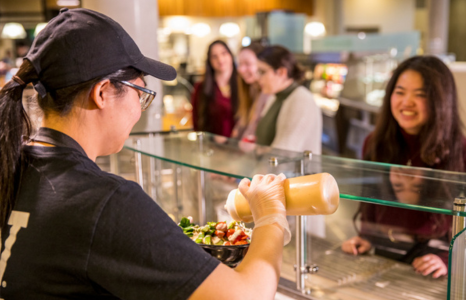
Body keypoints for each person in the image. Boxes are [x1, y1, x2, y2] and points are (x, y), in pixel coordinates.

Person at [0, 8, 290, 299]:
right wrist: (270, 216)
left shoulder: (13, 164)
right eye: (139, 93)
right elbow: (247, 295)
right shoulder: (105, 202)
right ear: (102, 93)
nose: (140, 108)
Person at [341, 55, 466, 278]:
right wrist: (366, 237)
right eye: (399, 92)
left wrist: (448, 260)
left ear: (441, 101)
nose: (406, 102)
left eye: (420, 95)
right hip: (384, 250)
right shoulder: (375, 143)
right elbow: (369, 198)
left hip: (433, 261)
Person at [255, 45, 322, 154]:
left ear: (281, 72)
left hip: (291, 171)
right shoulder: (274, 96)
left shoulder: (302, 100)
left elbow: (284, 155)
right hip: (270, 169)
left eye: (262, 72)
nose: (257, 78)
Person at [191, 40, 239, 137]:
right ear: (209, 61)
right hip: (212, 146)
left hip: (241, 147)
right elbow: (197, 122)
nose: (220, 59)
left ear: (231, 55)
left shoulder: (244, 86)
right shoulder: (201, 88)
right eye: (214, 56)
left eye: (223, 53)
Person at [231, 41, 268, 143]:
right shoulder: (250, 90)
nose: (241, 69)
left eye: (247, 64)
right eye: (240, 64)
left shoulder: (268, 95)